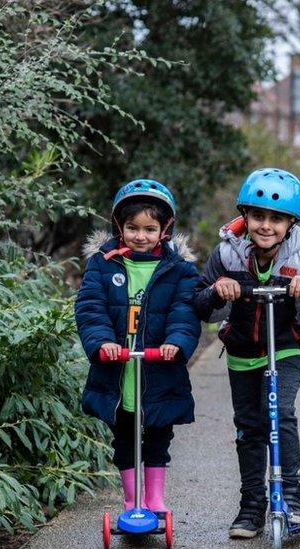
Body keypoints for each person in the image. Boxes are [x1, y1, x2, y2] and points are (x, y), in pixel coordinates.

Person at [193, 168, 300, 539]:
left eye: (276, 218)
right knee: (249, 427)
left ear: (291, 222)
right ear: (245, 216)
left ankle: (288, 496)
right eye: (258, 216)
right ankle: (252, 504)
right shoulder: (226, 254)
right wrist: (218, 292)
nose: (266, 225)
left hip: (287, 349)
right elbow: (202, 307)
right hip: (242, 351)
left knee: (280, 414)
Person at [76, 179, 201, 514]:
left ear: (165, 229)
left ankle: (155, 499)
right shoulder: (103, 264)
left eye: (150, 228)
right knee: (125, 438)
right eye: (132, 228)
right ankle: (132, 501)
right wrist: (102, 342)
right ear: (120, 226)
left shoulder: (180, 270)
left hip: (159, 367)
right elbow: (91, 307)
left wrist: (176, 342)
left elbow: (184, 311)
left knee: (159, 434)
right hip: (117, 370)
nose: (140, 236)